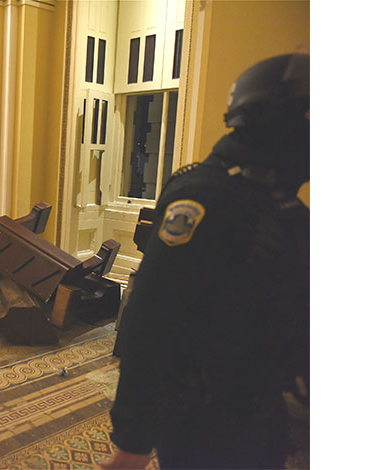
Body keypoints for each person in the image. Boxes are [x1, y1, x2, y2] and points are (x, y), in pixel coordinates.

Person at [103, 53, 309, 470]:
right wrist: (133, 441)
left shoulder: (283, 206)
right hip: (205, 421)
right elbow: (152, 320)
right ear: (273, 118)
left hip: (266, 407)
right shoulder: (205, 198)